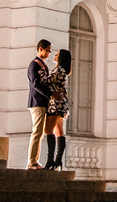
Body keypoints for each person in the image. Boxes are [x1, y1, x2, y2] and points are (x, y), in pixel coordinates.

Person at [43, 48, 73, 170]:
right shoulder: (63, 70)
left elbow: (47, 81)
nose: (55, 55)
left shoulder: (59, 69)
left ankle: (51, 160)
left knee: (48, 129)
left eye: (58, 54)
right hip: (61, 103)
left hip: (55, 103)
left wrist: (40, 76)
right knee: (59, 131)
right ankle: (58, 160)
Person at [26, 39, 52, 169]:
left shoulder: (42, 64)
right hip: (37, 102)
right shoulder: (34, 64)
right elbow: (35, 83)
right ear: (40, 49)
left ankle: (34, 160)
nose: (49, 52)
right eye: (47, 50)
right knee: (37, 132)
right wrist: (50, 94)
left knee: (40, 133)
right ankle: (32, 161)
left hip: (42, 102)